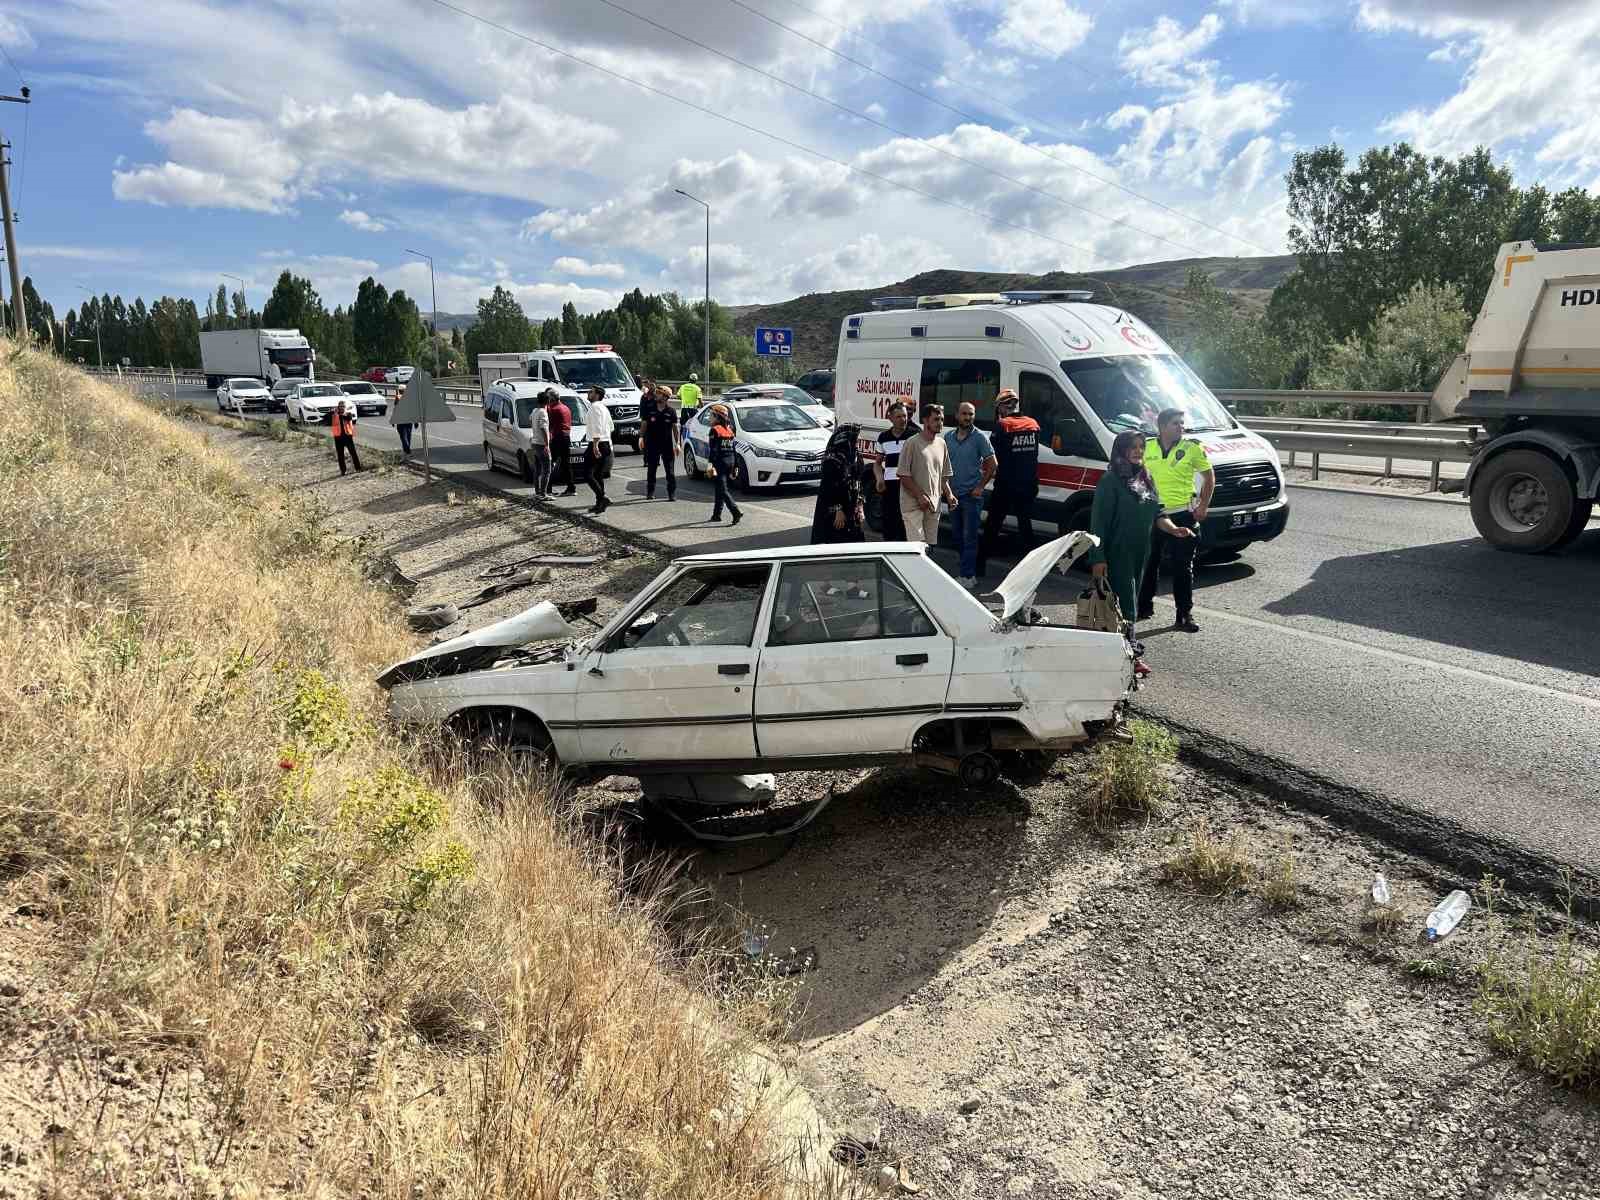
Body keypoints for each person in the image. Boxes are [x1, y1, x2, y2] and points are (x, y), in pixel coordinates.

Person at [1137, 407, 1215, 633]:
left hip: (1182, 514)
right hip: (1152, 513)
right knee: (1149, 563)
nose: (1181, 426)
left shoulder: (1192, 448)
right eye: (1175, 423)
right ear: (1162, 426)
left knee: (1182, 568)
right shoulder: (1147, 446)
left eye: (1182, 423)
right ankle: (1144, 607)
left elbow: (1209, 477)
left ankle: (1184, 614)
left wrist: (1203, 505)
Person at [978, 389, 1039, 575]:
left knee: (992, 526)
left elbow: (991, 458)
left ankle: (978, 567)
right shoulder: (1033, 424)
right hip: (1028, 485)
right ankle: (1033, 570)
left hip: (1006, 485)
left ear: (1001, 408)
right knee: (1025, 527)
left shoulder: (1002, 426)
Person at [944, 401, 996, 588]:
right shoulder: (948, 437)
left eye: (971, 414)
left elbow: (993, 465)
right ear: (957, 415)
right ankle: (967, 568)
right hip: (953, 496)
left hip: (971, 497)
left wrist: (980, 486)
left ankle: (968, 576)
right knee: (957, 536)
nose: (968, 417)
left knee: (969, 537)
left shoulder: (980, 437)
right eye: (964, 414)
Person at [897, 403, 955, 546]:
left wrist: (949, 494)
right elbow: (903, 475)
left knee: (930, 547)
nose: (940, 423)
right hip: (913, 506)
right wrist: (919, 496)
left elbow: (942, 475)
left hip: (933, 505)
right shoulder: (912, 443)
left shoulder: (941, 444)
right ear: (925, 420)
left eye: (941, 419)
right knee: (918, 548)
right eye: (936, 419)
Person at [811, 424, 866, 543]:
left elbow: (859, 482)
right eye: (855, 439)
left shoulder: (856, 457)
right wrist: (838, 510)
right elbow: (828, 488)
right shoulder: (832, 460)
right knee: (835, 542)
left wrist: (860, 506)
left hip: (852, 506)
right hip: (834, 510)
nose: (858, 443)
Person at [873, 401, 917, 541]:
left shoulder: (915, 436)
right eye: (898, 417)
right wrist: (880, 479)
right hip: (890, 487)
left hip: (909, 487)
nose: (903, 419)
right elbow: (878, 463)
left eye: (905, 416)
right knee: (889, 524)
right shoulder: (883, 437)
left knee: (906, 526)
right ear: (890, 418)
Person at [704, 404, 743, 525]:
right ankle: (716, 515)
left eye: (711, 415)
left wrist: (710, 464)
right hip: (730, 462)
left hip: (720, 463)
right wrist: (736, 466)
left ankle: (735, 511)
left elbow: (714, 450)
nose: (709, 418)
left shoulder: (714, 430)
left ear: (717, 417)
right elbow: (734, 449)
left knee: (722, 490)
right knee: (719, 489)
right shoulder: (729, 429)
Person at [641, 384, 679, 501]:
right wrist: (641, 438)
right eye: (656, 393)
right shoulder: (650, 408)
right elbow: (644, 424)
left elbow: (675, 429)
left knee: (670, 472)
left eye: (659, 394)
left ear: (666, 397)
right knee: (651, 470)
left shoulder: (671, 411)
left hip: (667, 445)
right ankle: (650, 492)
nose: (656, 395)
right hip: (652, 444)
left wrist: (677, 444)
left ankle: (671, 494)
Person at [584, 385, 614, 514]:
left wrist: (595, 445)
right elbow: (611, 427)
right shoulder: (604, 408)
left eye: (591, 392)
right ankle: (599, 504)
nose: (588, 393)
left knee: (587, 474)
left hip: (597, 443)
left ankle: (602, 497)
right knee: (598, 475)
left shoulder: (595, 407)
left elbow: (597, 427)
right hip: (605, 443)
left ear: (596, 395)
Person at [546, 389, 575, 497]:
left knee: (549, 462)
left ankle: (547, 488)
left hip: (558, 437)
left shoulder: (553, 409)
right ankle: (571, 487)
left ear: (552, 398)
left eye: (548, 398)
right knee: (566, 463)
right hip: (566, 437)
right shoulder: (565, 407)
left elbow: (548, 423)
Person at [527, 391, 552, 497]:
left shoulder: (534, 411)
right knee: (547, 470)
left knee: (537, 469)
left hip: (534, 442)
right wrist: (547, 445)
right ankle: (543, 493)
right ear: (548, 401)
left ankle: (537, 492)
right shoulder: (543, 412)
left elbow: (530, 421)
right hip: (541, 444)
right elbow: (544, 428)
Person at [331, 400, 362, 475]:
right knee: (340, 455)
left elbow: (348, 418)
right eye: (340, 406)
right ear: (338, 407)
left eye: (343, 406)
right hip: (338, 437)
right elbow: (329, 418)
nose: (341, 408)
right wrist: (335, 413)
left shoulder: (348, 414)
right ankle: (343, 471)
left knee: (353, 453)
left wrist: (339, 414)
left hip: (347, 436)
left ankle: (358, 468)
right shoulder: (334, 415)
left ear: (345, 407)